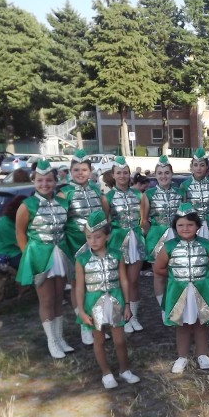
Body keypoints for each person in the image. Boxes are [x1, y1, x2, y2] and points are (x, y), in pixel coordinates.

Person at [74, 210, 140, 389]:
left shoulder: (117, 255)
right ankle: (106, 373)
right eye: (89, 237)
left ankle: (124, 369)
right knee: (100, 340)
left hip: (116, 300)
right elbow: (79, 287)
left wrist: (127, 304)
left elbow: (124, 280)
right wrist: (80, 310)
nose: (93, 241)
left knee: (119, 340)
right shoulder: (81, 259)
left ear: (107, 236)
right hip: (93, 303)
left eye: (97, 237)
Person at [153, 203, 209, 373]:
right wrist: (176, 277)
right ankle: (182, 356)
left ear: (197, 226)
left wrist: (201, 275)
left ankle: (202, 354)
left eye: (190, 225)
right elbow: (158, 268)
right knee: (181, 325)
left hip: (201, 290)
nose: (185, 228)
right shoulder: (169, 246)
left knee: (201, 323)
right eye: (181, 225)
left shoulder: (206, 244)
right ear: (175, 227)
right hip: (179, 291)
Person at [15, 159, 72, 358]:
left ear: (55, 182)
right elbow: (20, 234)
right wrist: (29, 258)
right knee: (46, 300)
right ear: (34, 181)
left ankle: (60, 338)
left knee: (58, 298)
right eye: (40, 181)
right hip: (40, 257)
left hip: (60, 255)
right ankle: (51, 341)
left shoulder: (63, 201)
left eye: (48, 180)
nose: (44, 184)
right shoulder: (27, 205)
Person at [58, 150, 109, 344]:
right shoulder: (65, 193)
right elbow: (60, 222)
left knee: (97, 282)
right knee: (78, 285)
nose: (80, 173)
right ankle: (84, 325)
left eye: (84, 169)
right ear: (70, 171)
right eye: (76, 170)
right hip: (75, 244)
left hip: (96, 244)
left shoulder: (96, 190)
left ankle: (98, 321)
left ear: (90, 171)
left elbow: (105, 214)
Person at [105, 156, 145, 333]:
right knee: (121, 281)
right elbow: (105, 222)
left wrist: (141, 233)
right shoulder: (107, 197)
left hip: (135, 241)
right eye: (119, 173)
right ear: (113, 175)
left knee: (134, 281)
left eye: (125, 172)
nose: (122, 176)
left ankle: (133, 317)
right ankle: (123, 316)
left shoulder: (139, 195)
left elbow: (144, 221)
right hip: (117, 241)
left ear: (130, 174)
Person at [141, 156, 183, 317]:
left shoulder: (180, 192)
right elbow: (144, 221)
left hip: (178, 237)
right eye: (160, 173)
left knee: (177, 272)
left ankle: (177, 303)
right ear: (155, 175)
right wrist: (153, 233)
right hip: (156, 237)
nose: (163, 176)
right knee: (158, 274)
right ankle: (163, 308)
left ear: (171, 174)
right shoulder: (149, 194)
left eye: (166, 172)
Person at [182, 148, 209, 251]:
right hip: (193, 227)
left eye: (202, 165)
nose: (198, 168)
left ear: (207, 167)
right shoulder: (185, 185)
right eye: (196, 165)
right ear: (191, 167)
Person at [0, 195, 26, 269]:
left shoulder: (18, 220)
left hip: (17, 250)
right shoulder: (5, 223)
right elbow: (21, 244)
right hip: (9, 253)